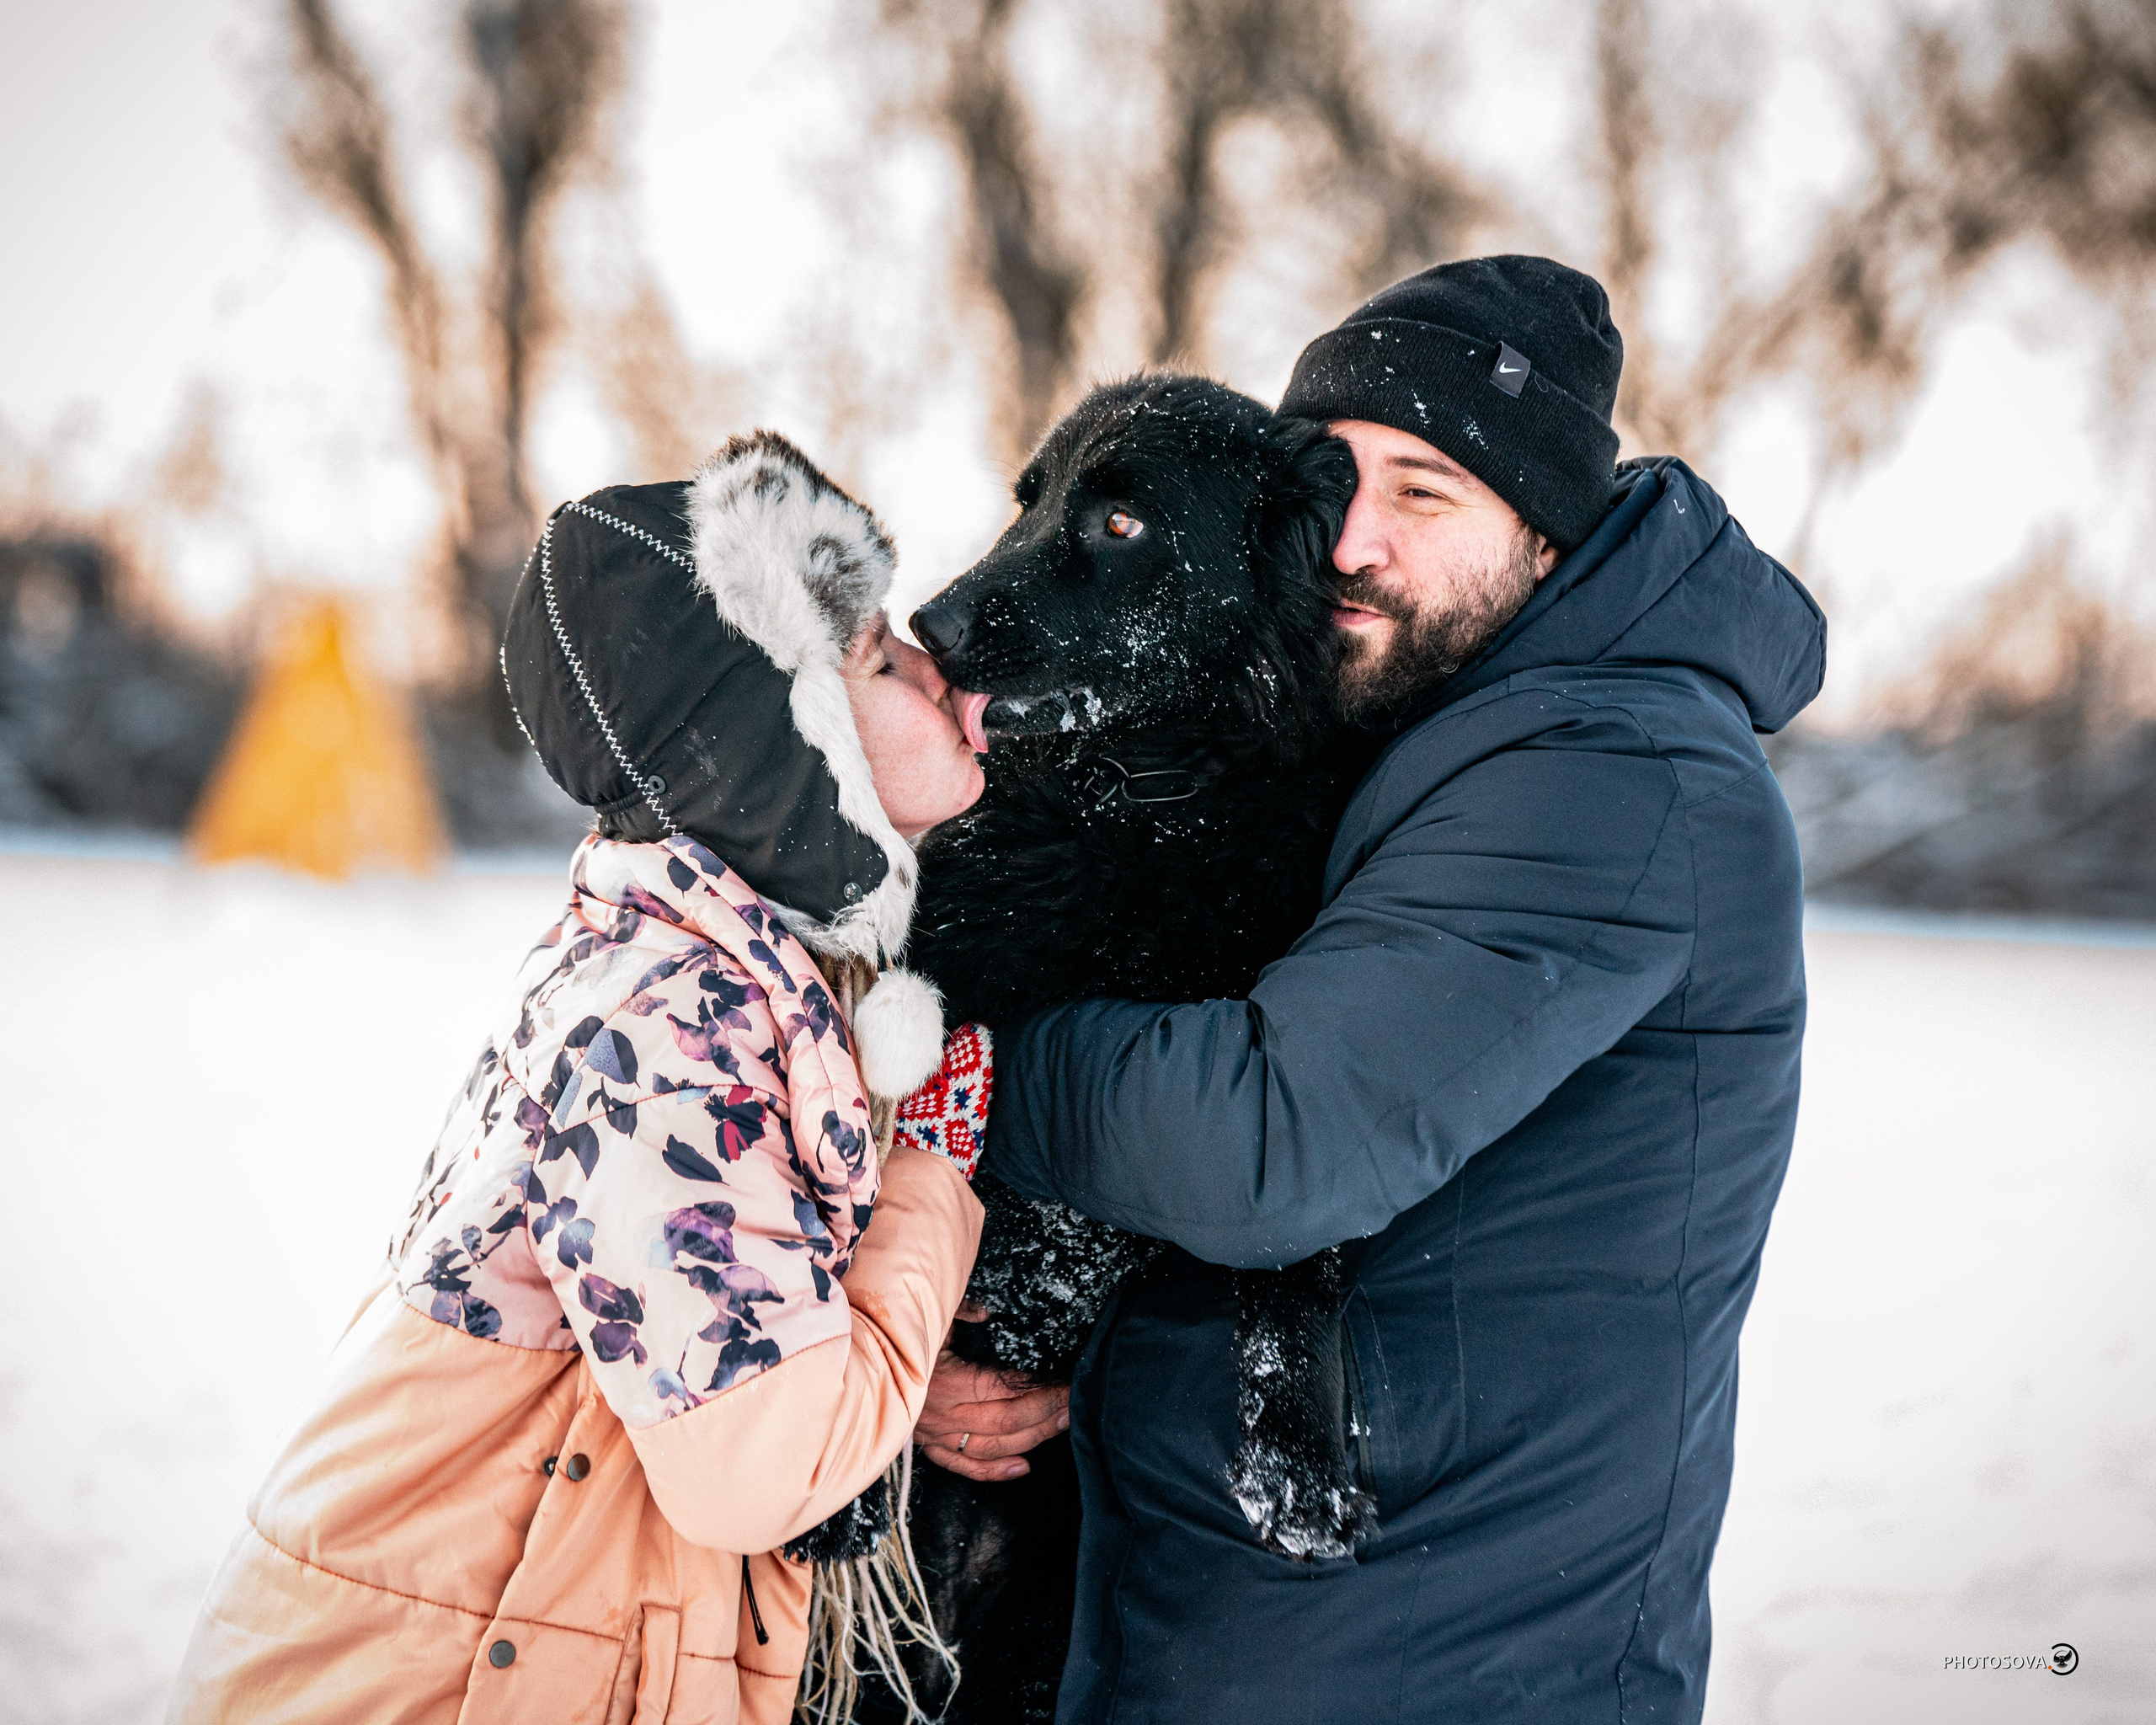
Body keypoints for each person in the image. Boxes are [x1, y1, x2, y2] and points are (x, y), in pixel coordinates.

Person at [919, 256, 1828, 1722]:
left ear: (1545, 536)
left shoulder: (1610, 773)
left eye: (1424, 494)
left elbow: (1267, 1143)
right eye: (1329, 481)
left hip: (1431, 1660)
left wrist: (965, 1060)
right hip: (1240, 1631)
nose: (1349, 542)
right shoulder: (1420, 736)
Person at [168, 431, 995, 1725]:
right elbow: (759, 1462)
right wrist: (933, 1173)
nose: (936, 668)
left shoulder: (732, 969)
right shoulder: (672, 1021)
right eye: (878, 657)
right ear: (789, 749)